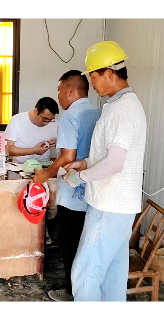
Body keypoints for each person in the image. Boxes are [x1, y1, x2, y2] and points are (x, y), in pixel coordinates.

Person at [62, 41, 147, 302]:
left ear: (110, 73)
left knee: (85, 272)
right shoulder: (123, 105)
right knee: (112, 273)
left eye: (94, 76)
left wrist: (80, 176)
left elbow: (114, 164)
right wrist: (84, 163)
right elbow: (108, 156)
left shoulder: (121, 110)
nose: (93, 84)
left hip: (108, 207)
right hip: (121, 209)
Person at [33, 70, 101, 302]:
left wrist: (45, 174)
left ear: (71, 91)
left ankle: (73, 292)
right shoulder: (97, 112)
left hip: (73, 195)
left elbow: (66, 156)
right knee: (87, 246)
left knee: (69, 245)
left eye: (60, 90)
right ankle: (87, 289)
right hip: (93, 193)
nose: (59, 96)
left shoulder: (71, 116)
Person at [4, 96, 59, 164]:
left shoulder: (54, 122)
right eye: (45, 119)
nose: (47, 123)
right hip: (20, 166)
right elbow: (9, 149)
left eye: (50, 120)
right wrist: (34, 150)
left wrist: (55, 143)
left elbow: (60, 143)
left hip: (43, 166)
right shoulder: (17, 120)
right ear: (35, 111)